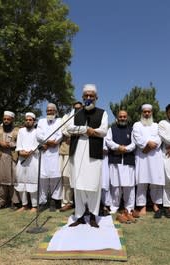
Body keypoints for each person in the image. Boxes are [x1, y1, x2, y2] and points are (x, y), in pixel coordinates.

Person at [67, 84, 108, 228]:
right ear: (83, 97)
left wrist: (93, 132)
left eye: (91, 96)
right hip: (77, 152)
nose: (89, 98)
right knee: (78, 185)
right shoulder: (76, 112)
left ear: (96, 98)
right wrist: (86, 129)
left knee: (93, 185)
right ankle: (79, 216)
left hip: (93, 152)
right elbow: (69, 128)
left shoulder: (102, 113)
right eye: (86, 96)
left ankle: (92, 216)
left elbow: (103, 131)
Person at [132, 104, 165, 218]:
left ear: (152, 113)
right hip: (142, 157)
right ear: (142, 113)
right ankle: (142, 206)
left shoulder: (157, 125)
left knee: (155, 181)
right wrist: (146, 146)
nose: (147, 114)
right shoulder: (137, 125)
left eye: (149, 112)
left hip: (155, 157)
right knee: (142, 182)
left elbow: (160, 138)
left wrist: (149, 145)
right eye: (145, 112)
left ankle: (156, 205)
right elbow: (137, 138)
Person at [106, 110, 136, 223]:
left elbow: (134, 143)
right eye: (120, 117)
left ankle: (129, 208)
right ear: (117, 118)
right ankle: (114, 207)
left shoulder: (132, 129)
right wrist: (118, 147)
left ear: (127, 117)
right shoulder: (111, 129)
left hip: (128, 161)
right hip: (116, 161)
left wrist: (125, 149)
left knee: (129, 186)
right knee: (115, 186)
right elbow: (108, 141)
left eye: (124, 116)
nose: (122, 118)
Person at [36, 103, 63, 211]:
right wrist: (47, 141)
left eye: (51, 110)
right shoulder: (41, 121)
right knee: (43, 178)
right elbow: (38, 134)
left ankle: (54, 201)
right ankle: (42, 202)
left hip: (55, 152)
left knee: (55, 177)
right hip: (44, 152)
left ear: (55, 112)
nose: (49, 112)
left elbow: (60, 134)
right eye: (48, 110)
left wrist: (54, 141)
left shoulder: (60, 121)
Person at [0, 111, 19, 210]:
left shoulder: (17, 131)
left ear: (12, 120)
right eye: (4, 119)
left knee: (13, 180)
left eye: (8, 119)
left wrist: (10, 144)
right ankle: (1, 201)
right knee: (0, 180)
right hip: (0, 157)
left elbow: (20, 143)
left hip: (12, 158)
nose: (6, 121)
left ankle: (14, 202)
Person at [58, 101, 83, 212]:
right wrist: (73, 134)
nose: (77, 109)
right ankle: (67, 201)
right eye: (75, 107)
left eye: (79, 108)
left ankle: (81, 202)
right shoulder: (66, 117)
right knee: (66, 176)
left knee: (80, 177)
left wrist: (76, 133)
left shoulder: (86, 117)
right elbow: (64, 129)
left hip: (82, 149)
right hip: (67, 150)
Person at [15, 112, 40, 212]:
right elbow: (19, 143)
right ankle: (24, 205)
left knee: (32, 181)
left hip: (33, 158)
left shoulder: (37, 131)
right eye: (26, 120)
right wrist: (21, 151)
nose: (28, 121)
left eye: (30, 120)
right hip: (22, 158)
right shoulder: (21, 131)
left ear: (34, 121)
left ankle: (34, 206)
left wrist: (30, 152)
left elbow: (37, 145)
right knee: (21, 180)